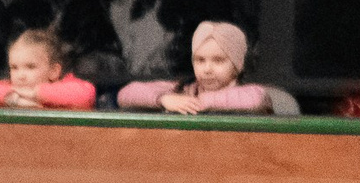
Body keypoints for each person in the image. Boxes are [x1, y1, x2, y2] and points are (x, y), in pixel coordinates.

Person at [114, 20, 273, 114]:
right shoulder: (183, 89)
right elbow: (126, 93)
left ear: (238, 64)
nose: (207, 69)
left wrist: (195, 103)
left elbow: (255, 99)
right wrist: (164, 99)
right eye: (200, 60)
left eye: (218, 60)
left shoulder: (251, 93)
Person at [0, 27, 97, 109]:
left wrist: (35, 95)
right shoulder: (11, 89)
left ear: (53, 71)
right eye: (14, 67)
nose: (21, 75)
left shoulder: (67, 86)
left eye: (30, 67)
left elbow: (86, 95)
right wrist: (13, 98)